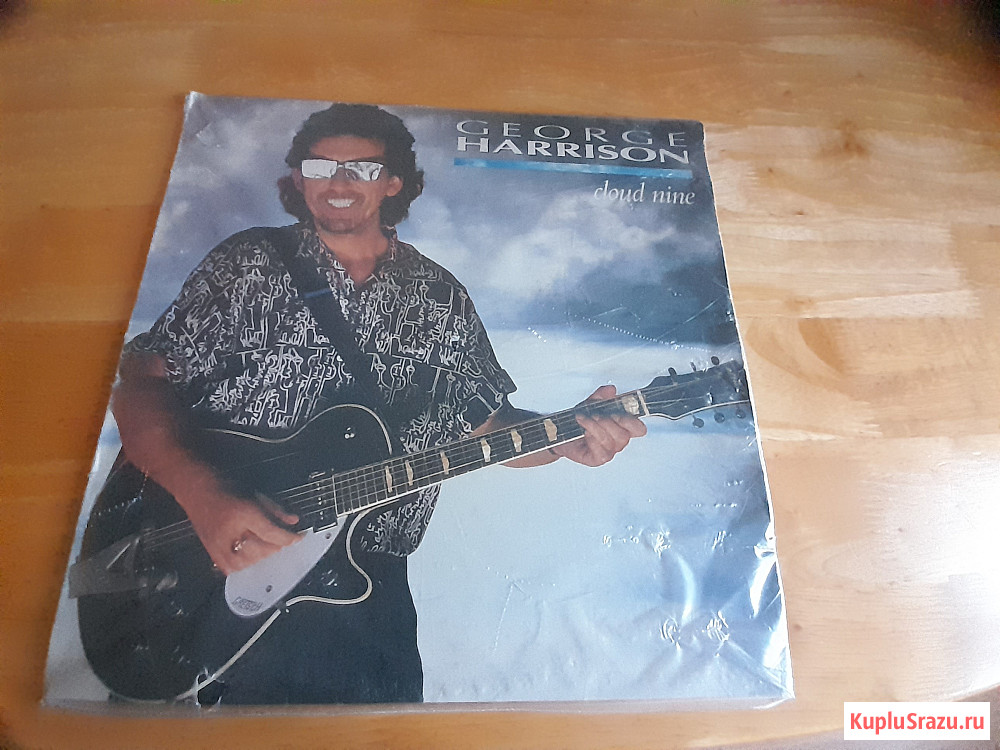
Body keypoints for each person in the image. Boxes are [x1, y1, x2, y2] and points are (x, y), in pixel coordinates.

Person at [109, 103, 645, 704]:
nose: (339, 182)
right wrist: (202, 495)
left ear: (392, 183)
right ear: (298, 178)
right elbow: (141, 382)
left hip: (365, 593)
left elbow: (485, 426)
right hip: (199, 561)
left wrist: (564, 439)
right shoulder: (247, 264)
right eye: (321, 166)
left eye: (361, 168)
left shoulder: (440, 297)